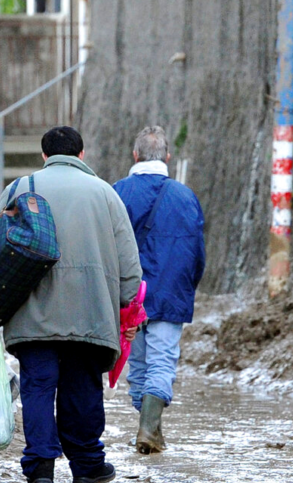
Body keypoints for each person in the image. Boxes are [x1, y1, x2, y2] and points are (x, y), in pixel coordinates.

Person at [0, 126, 143, 483]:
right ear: (81, 155)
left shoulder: (18, 190)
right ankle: (88, 465)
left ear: (44, 156)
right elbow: (130, 266)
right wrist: (126, 306)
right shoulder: (105, 194)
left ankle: (41, 467)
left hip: (31, 312)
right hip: (90, 312)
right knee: (82, 388)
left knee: (39, 386)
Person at [113, 125, 206, 455]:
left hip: (128, 296)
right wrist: (187, 288)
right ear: (167, 157)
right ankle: (149, 430)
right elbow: (197, 253)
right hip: (170, 294)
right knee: (162, 362)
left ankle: (149, 430)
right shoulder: (185, 196)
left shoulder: (116, 193)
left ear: (135, 155)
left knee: (137, 366)